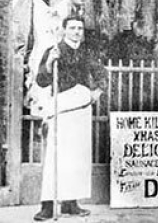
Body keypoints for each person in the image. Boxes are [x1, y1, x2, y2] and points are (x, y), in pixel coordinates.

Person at [34, 16, 107, 221]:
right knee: (55, 158)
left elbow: (101, 74)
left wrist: (97, 92)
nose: (76, 32)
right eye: (72, 28)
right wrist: (49, 62)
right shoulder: (54, 50)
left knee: (77, 157)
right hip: (61, 107)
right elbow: (41, 80)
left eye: (80, 28)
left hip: (81, 108)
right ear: (64, 30)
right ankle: (47, 206)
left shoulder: (87, 52)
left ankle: (70, 204)